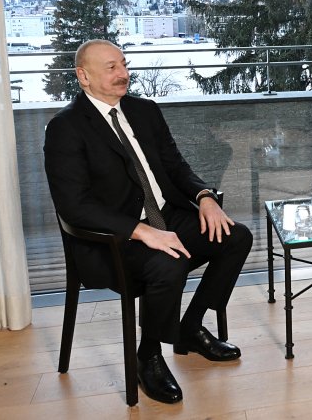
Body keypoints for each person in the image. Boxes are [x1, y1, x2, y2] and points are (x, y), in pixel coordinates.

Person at [44, 39, 252, 405]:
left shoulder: (145, 111)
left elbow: (175, 165)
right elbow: (73, 206)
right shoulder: (65, 127)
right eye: (111, 67)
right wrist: (140, 231)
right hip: (112, 238)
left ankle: (190, 327)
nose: (123, 73)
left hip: (165, 215)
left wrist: (204, 196)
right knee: (168, 262)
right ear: (83, 76)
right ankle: (148, 355)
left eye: (124, 64)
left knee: (236, 237)